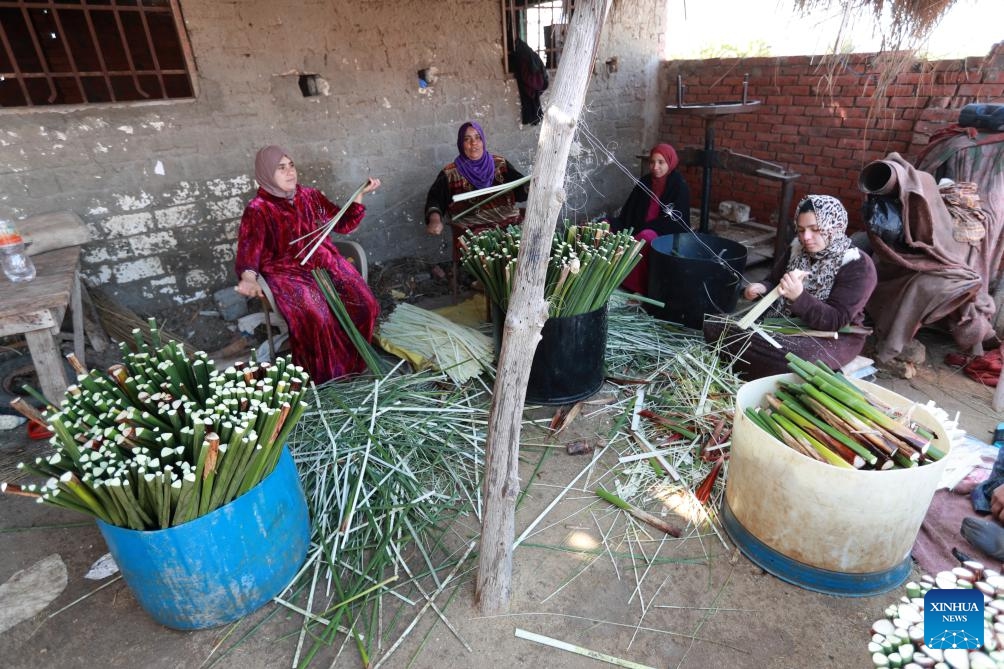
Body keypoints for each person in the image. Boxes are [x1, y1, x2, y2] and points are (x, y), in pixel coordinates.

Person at [235, 145, 380, 384]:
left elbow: (341, 223)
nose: (290, 172)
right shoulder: (258, 210)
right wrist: (249, 278)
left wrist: (359, 196)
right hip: (287, 272)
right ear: (266, 173)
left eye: (291, 166)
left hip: (325, 262)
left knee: (365, 305)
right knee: (318, 318)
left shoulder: (309, 195)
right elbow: (249, 252)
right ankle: (326, 378)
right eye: (281, 168)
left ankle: (355, 363)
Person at [704, 194, 877, 380]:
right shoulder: (797, 249)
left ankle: (759, 362)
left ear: (834, 227)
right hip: (786, 325)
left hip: (833, 336)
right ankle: (759, 361)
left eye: (815, 229)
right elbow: (774, 281)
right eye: (801, 230)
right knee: (714, 324)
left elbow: (836, 320)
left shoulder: (857, 264)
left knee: (794, 359)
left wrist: (799, 297)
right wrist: (761, 287)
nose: (806, 237)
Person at [610, 143, 691, 294]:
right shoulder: (645, 182)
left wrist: (648, 228)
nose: (655, 167)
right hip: (638, 226)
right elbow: (629, 211)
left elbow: (677, 222)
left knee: (644, 237)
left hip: (663, 233)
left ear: (670, 163)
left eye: (661, 162)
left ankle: (636, 287)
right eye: (652, 162)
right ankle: (605, 276)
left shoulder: (679, 186)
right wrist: (623, 227)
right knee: (605, 225)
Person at [424, 121, 528, 238]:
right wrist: (434, 219)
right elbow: (435, 200)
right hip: (474, 233)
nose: (474, 143)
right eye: (467, 139)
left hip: (510, 226)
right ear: (460, 144)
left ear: (483, 141)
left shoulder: (500, 164)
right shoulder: (450, 173)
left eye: (478, 138)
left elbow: (520, 189)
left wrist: (528, 186)